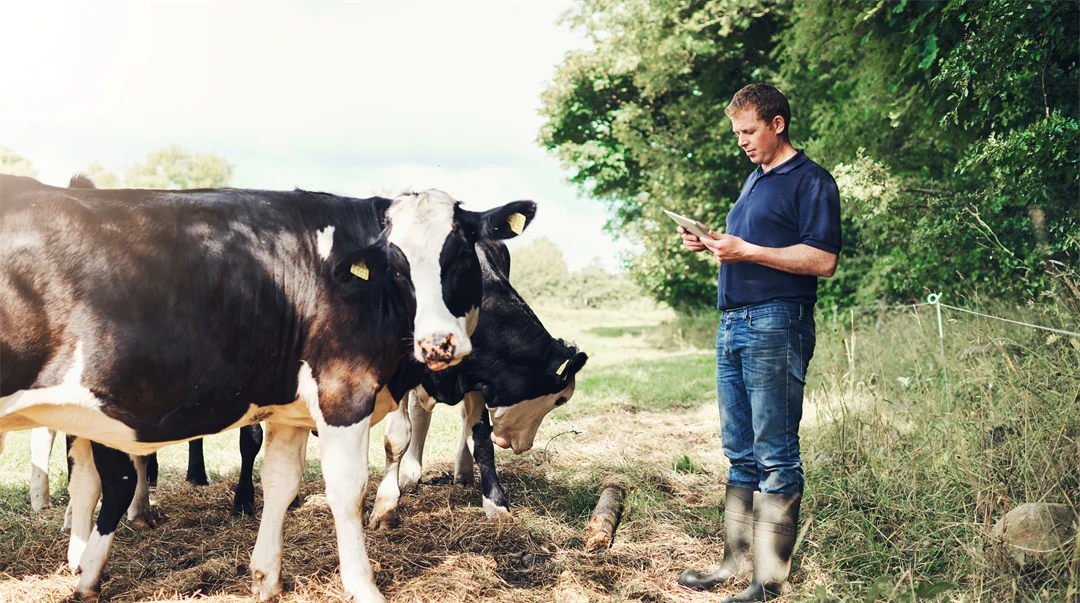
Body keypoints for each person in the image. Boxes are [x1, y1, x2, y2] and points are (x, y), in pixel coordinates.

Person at [677, 83, 841, 602]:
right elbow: (748, 248)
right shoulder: (754, 180)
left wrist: (745, 250)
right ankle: (731, 566)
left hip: (776, 323)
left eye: (748, 131)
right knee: (740, 455)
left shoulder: (811, 180)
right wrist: (712, 243)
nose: (742, 141)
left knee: (775, 456)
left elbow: (823, 260)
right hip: (733, 324)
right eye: (737, 133)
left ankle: (769, 582)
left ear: (777, 124)